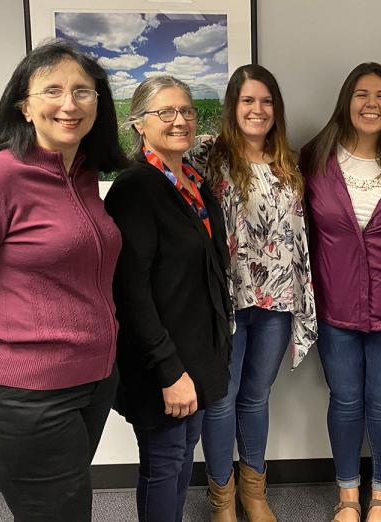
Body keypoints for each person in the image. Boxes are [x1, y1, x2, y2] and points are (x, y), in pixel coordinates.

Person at [0, 41, 127, 521]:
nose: (69, 103)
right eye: (52, 90)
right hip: (27, 396)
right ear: (25, 106)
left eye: (83, 91)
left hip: (94, 383)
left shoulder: (84, 177)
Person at [300, 62, 381, 522]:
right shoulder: (314, 157)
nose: (371, 104)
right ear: (345, 100)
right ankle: (348, 496)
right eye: (360, 94)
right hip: (335, 307)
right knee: (346, 401)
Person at [191, 64, 317, 522]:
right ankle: (221, 500)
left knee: (256, 397)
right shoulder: (209, 155)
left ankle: (254, 492)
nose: (257, 109)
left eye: (266, 101)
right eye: (248, 100)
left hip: (278, 298)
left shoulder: (290, 160)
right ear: (232, 106)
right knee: (221, 398)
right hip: (225, 298)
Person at [104, 76, 232, 522]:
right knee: (165, 463)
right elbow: (130, 289)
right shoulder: (136, 187)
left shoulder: (192, 181)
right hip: (163, 361)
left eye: (187, 111)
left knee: (178, 461)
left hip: (196, 354)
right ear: (139, 124)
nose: (180, 120)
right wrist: (168, 370)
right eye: (166, 112)